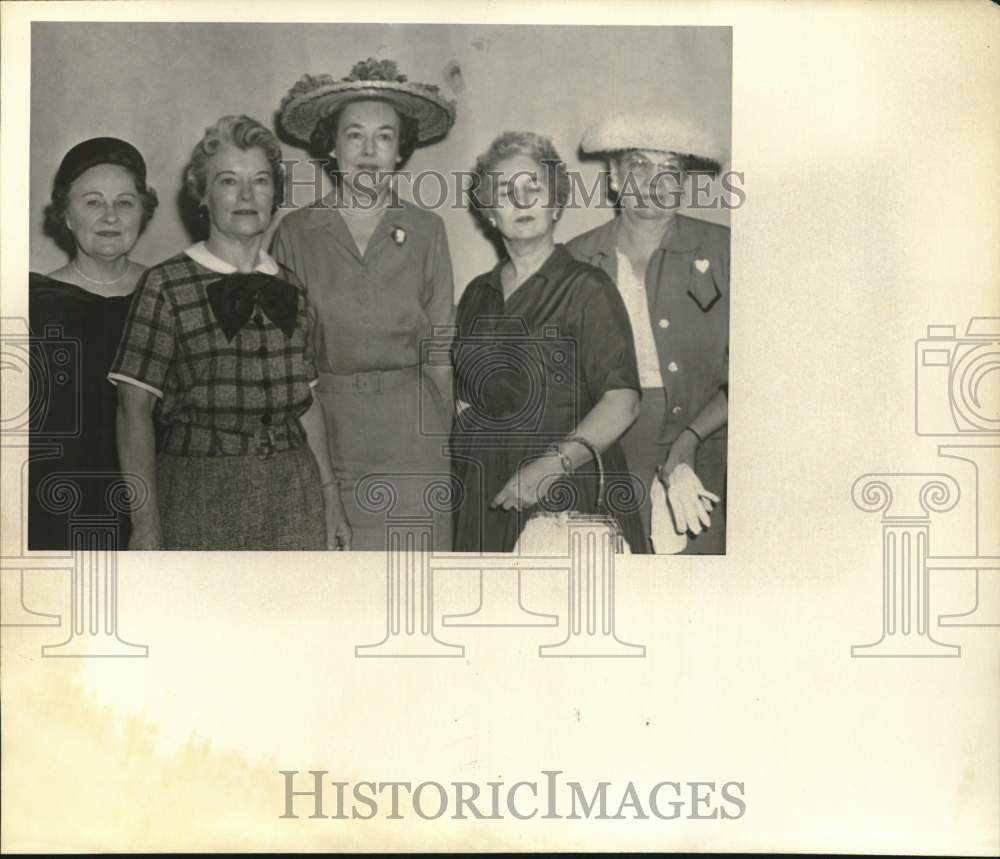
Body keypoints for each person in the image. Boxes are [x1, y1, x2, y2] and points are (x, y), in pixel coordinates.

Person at [109, 115, 349, 551]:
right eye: (227, 181)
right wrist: (144, 524)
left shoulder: (291, 287)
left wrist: (330, 495)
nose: (245, 195)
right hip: (198, 493)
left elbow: (307, 401)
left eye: (259, 180)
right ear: (202, 195)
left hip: (295, 495)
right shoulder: (165, 285)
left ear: (275, 194)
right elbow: (132, 411)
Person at [272, 58, 457, 550]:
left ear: (401, 151)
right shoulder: (295, 233)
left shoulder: (427, 230)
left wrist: (449, 440)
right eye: (355, 136)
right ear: (332, 147)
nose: (369, 152)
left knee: (416, 592)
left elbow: (440, 352)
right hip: (325, 437)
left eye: (385, 137)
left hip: (414, 440)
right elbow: (284, 360)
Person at [451, 131, 647, 553]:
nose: (521, 201)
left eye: (533, 188)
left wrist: (549, 467)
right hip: (487, 488)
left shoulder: (587, 288)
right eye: (506, 192)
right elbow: (466, 399)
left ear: (555, 203)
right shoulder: (475, 294)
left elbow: (622, 402)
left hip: (567, 483)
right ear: (489, 213)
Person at [567, 110, 729, 554]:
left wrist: (689, 443)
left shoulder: (726, 250)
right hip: (608, 446)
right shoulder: (577, 259)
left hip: (710, 435)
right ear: (614, 178)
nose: (655, 181)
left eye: (669, 170)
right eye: (639, 165)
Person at [29, 137, 159, 550]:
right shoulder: (30, 301)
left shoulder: (170, 293)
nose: (109, 217)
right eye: (92, 202)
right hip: (56, 503)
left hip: (156, 499)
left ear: (142, 213)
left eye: (124, 203)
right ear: (65, 214)